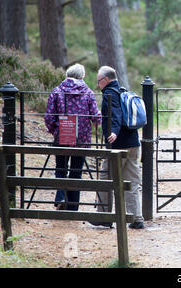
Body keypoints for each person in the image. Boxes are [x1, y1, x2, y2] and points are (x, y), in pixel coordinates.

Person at [93, 66, 144, 229]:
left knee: (106, 178)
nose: (98, 85)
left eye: (98, 81)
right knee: (132, 181)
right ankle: (137, 218)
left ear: (106, 80)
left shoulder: (109, 93)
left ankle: (104, 216)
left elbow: (115, 114)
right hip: (134, 143)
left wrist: (113, 132)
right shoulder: (123, 90)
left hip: (118, 145)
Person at [44, 64, 101, 211]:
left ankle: (61, 197)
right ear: (82, 76)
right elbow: (96, 117)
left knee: (61, 168)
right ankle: (73, 206)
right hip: (81, 139)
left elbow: (49, 116)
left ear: (67, 74)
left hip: (63, 135)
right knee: (76, 171)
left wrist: (55, 130)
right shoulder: (88, 92)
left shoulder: (57, 91)